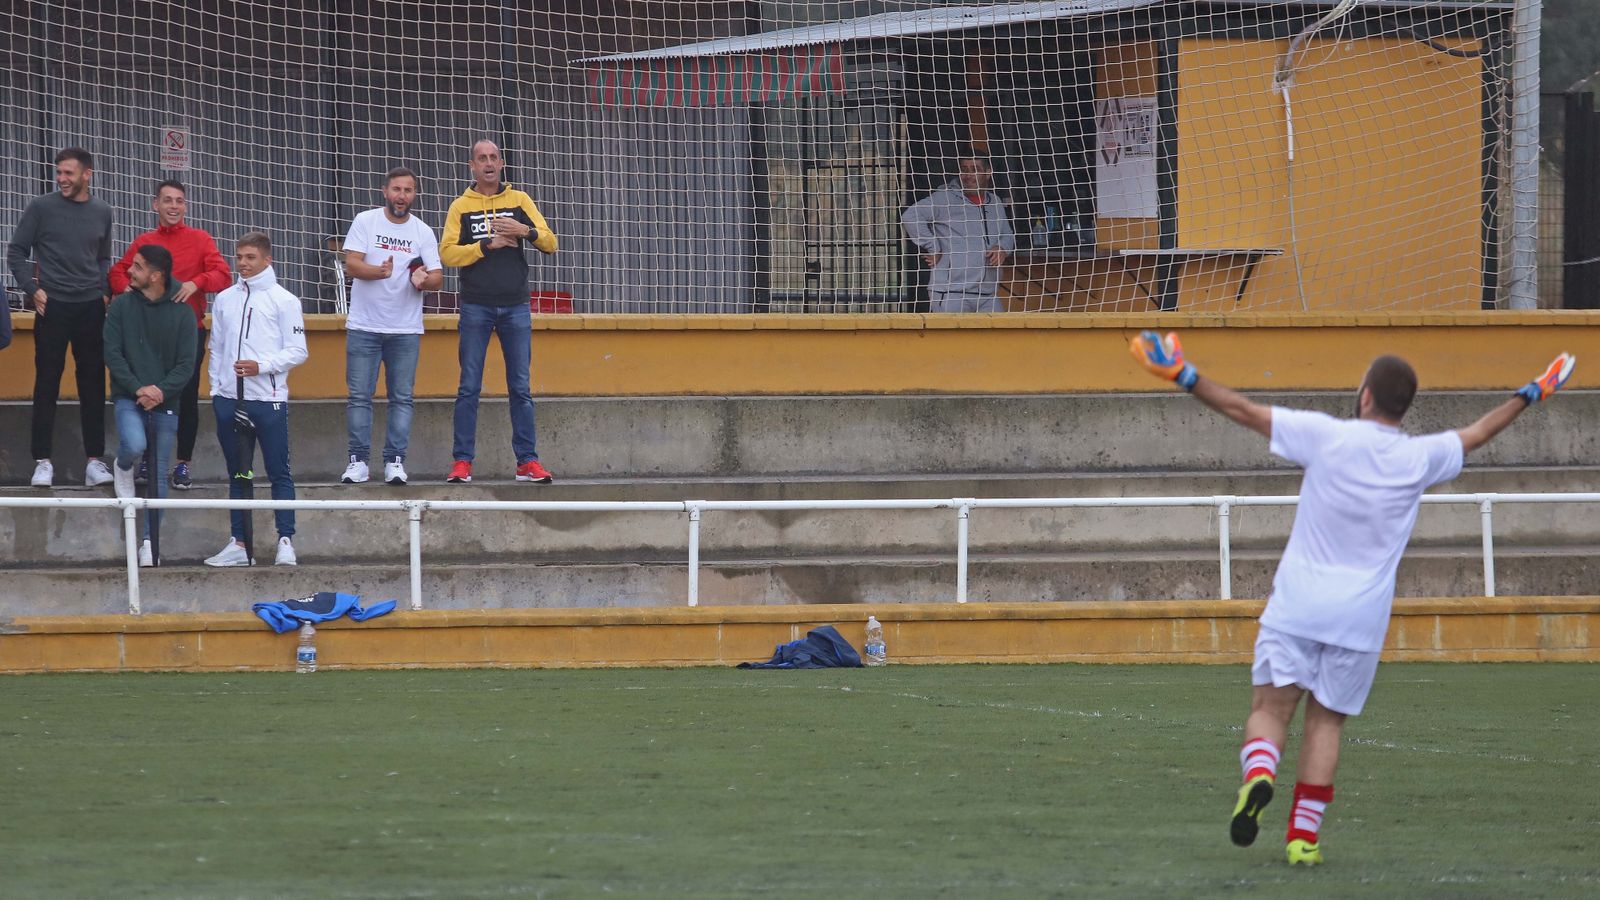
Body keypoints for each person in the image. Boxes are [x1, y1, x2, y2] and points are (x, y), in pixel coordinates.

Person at [1129, 330, 1577, 867]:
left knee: (1271, 711)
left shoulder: (1326, 436)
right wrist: (1532, 392)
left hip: (1299, 604)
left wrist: (1184, 375)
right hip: (1361, 619)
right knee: (1325, 723)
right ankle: (1302, 841)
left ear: (1365, 395)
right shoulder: (1420, 457)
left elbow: (1242, 411)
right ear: (1404, 406)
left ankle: (1259, 777)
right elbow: (1479, 432)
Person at [439, 138, 558, 485]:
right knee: (469, 386)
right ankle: (462, 462)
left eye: (493, 157)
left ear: (501, 163)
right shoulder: (460, 206)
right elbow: (447, 254)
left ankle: (527, 462)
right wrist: (485, 246)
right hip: (476, 306)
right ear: (472, 166)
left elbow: (551, 242)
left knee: (520, 387)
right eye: (481, 158)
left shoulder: (519, 200)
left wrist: (525, 231)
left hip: (516, 307)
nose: (488, 163)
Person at [108, 179, 232, 490]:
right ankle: (148, 460)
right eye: (167, 200)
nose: (173, 206)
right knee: (147, 395)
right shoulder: (145, 242)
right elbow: (118, 272)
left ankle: (183, 464)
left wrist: (196, 282)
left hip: (187, 333)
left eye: (179, 201)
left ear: (185, 206)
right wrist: (125, 291)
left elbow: (223, 275)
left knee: (185, 398)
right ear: (155, 205)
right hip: (146, 335)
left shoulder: (200, 239)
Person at [5, 147, 115, 488]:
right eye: (59, 173)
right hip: (52, 306)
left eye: (68, 173)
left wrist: (103, 289)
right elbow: (16, 252)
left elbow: (103, 257)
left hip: (90, 307)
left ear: (87, 174)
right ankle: (43, 461)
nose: (61, 179)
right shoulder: (41, 208)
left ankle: (95, 461)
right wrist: (31, 288)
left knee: (93, 384)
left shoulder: (102, 211)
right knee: (47, 382)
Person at [203, 232, 308, 567]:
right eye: (239, 257)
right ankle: (239, 544)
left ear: (267, 260)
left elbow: (298, 351)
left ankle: (285, 541)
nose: (243, 264)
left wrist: (261, 367)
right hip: (229, 401)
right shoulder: (224, 300)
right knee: (237, 473)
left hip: (269, 400)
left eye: (250, 257)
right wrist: (217, 390)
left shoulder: (285, 300)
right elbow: (216, 348)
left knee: (280, 471)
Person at [340, 166, 443, 486]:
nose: (402, 196)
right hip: (364, 327)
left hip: (405, 330)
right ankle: (357, 462)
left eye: (408, 191)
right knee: (359, 397)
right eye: (397, 190)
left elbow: (438, 277)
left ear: (415, 195)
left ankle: (395, 462)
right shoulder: (365, 220)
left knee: (401, 398)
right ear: (385, 191)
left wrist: (424, 280)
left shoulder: (423, 231)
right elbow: (351, 264)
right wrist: (378, 272)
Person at [103, 245, 197, 566]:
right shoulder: (121, 307)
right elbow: (112, 353)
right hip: (129, 396)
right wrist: (137, 388)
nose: (130, 271)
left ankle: (148, 543)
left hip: (165, 402)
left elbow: (187, 365)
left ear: (156, 276)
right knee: (134, 444)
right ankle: (124, 465)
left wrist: (159, 390)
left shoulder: (183, 313)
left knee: (158, 476)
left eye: (138, 267)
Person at [902, 155, 1015, 312]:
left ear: (988, 173)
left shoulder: (995, 202)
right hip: (951, 293)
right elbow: (910, 216)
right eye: (964, 170)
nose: (968, 175)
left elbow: (1008, 235)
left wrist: (1002, 248)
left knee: (1002, 336)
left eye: (975, 170)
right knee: (952, 338)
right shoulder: (944, 198)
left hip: (988, 294)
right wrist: (933, 247)